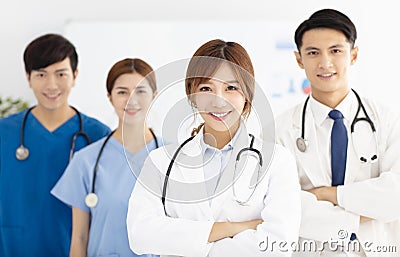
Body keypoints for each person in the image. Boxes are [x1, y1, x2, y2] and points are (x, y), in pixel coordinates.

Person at [126, 39, 301, 257]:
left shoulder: (277, 160)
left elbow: (278, 244)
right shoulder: (161, 161)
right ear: (192, 95)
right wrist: (230, 229)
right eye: (206, 88)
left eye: (231, 88)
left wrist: (189, 245)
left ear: (247, 94)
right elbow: (140, 234)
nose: (219, 102)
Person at [275, 9, 400, 256]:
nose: (325, 63)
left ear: (353, 55)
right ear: (299, 59)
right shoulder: (281, 129)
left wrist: (326, 194)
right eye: (313, 53)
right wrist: (363, 210)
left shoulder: (387, 119)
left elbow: (395, 198)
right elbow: (285, 206)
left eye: (335, 51)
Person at [0, 33, 110, 256]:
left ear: (74, 76)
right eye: (41, 74)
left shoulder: (97, 135)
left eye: (60, 74)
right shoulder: (4, 132)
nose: (51, 85)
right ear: (28, 77)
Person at [52, 58, 162, 257]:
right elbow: (80, 237)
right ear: (109, 97)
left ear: (154, 96)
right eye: (122, 92)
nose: (131, 100)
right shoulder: (86, 161)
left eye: (141, 91)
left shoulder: (175, 157)